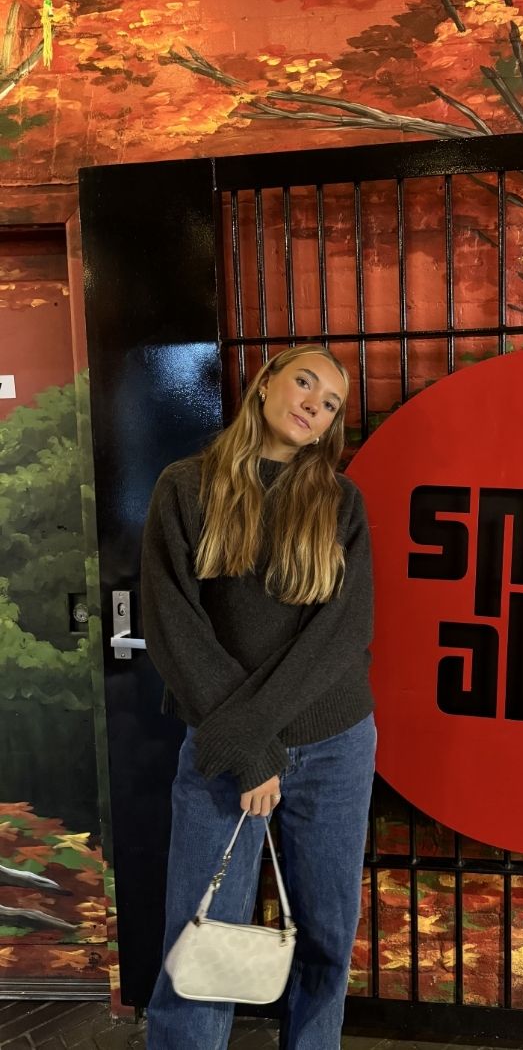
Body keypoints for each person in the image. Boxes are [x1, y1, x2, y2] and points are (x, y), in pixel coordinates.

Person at [141, 344, 376, 1050]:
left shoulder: (340, 501)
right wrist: (247, 750)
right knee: (200, 936)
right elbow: (171, 624)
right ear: (268, 380)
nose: (313, 402)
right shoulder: (185, 487)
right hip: (223, 747)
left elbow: (342, 633)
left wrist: (255, 738)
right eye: (305, 381)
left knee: (327, 936)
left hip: (334, 744)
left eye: (331, 401)